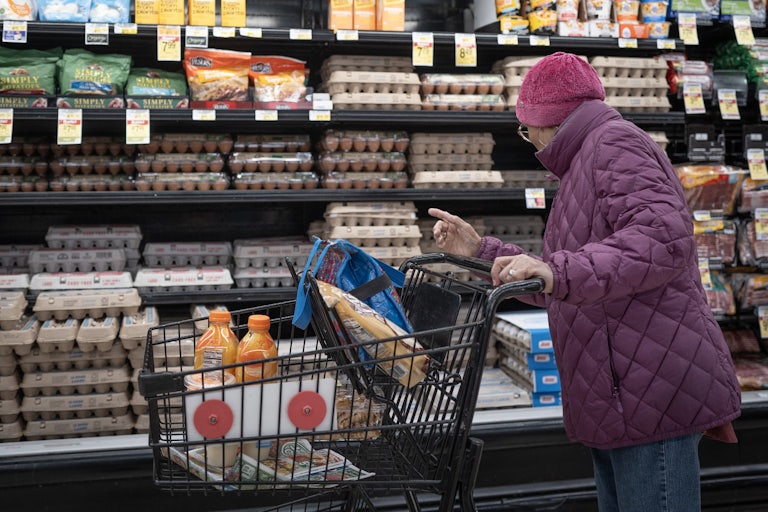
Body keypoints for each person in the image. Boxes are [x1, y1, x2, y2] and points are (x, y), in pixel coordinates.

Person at [429, 52, 741, 512]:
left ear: (548, 119)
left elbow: (662, 238)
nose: (530, 140)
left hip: (648, 389)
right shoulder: (585, 161)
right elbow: (567, 281)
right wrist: (483, 252)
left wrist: (559, 272)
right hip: (616, 391)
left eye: (526, 127)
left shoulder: (614, 144)